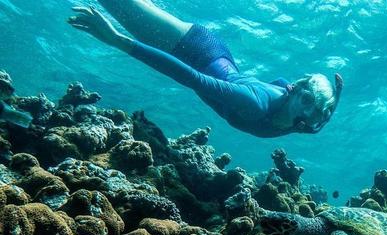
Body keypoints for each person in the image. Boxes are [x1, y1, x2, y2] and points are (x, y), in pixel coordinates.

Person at [68, 0, 343, 138]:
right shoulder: (255, 105)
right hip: (192, 48)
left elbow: (309, 111)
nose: (309, 114)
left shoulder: (305, 121)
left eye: (318, 111)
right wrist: (119, 41)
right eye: (307, 101)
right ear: (294, 90)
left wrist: (329, 104)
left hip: (214, 55)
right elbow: (193, 78)